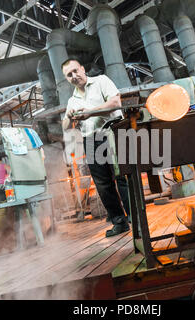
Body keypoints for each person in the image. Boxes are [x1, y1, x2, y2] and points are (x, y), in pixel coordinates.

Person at [61, 59, 130, 237]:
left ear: (83, 68)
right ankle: (119, 221)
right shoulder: (72, 100)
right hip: (91, 140)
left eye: (76, 71)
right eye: (69, 75)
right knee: (103, 185)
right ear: (66, 79)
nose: (74, 76)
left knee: (123, 176)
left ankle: (135, 216)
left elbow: (115, 103)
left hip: (113, 132)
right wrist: (69, 116)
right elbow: (66, 126)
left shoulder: (101, 81)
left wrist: (89, 112)